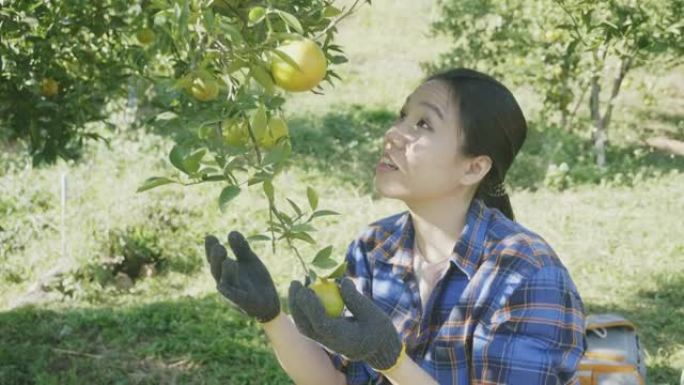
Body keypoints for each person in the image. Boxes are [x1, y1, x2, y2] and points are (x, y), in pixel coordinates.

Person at [204, 68, 587, 385]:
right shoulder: (376, 247)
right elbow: (336, 380)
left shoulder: (526, 274)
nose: (394, 134)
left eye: (423, 123)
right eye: (402, 116)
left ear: (474, 167)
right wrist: (272, 318)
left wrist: (391, 360)